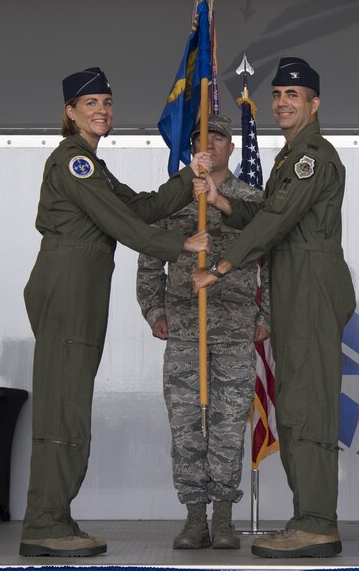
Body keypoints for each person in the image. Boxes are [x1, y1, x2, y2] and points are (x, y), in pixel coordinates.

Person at [19, 67, 212, 557]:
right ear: (69, 112)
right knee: (63, 407)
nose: (102, 110)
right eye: (90, 103)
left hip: (80, 285)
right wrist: (180, 244)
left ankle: (55, 517)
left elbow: (140, 207)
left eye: (106, 101)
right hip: (69, 287)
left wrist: (189, 177)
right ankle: (45, 524)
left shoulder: (92, 165)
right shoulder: (74, 163)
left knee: (69, 402)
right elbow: (124, 224)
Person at [192, 57, 356, 558]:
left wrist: (220, 267)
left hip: (310, 287)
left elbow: (276, 221)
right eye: (278, 94)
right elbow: (267, 213)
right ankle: (308, 516)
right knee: (297, 407)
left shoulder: (313, 157)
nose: (283, 103)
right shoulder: (289, 158)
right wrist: (223, 203)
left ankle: (316, 522)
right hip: (295, 285)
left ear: (315, 103)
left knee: (309, 408)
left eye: (294, 95)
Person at [137, 114, 271, 550]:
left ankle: (226, 519)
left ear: (233, 147)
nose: (210, 144)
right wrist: (154, 309)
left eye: (220, 138)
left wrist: (265, 316)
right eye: (201, 138)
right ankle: (195, 517)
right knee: (186, 424)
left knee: (229, 425)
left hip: (234, 329)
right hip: (183, 327)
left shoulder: (251, 198)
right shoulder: (175, 196)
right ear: (192, 146)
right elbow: (148, 259)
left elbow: (271, 261)